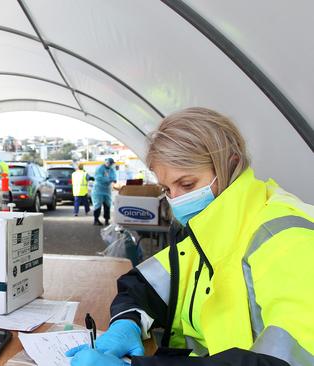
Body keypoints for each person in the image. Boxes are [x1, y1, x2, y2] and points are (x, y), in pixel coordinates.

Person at [66, 107, 314, 365]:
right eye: (167, 189)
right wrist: (127, 321)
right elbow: (143, 285)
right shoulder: (208, 232)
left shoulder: (287, 236)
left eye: (187, 184)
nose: (177, 200)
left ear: (229, 164)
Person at [92, 158, 116, 225]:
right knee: (97, 205)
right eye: (110, 163)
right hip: (98, 190)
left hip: (107, 190)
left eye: (112, 164)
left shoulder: (111, 169)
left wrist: (113, 179)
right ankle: (96, 220)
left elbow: (113, 177)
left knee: (107, 205)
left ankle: (107, 220)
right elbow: (98, 178)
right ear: (106, 163)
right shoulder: (100, 168)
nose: (111, 165)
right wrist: (109, 179)